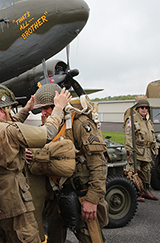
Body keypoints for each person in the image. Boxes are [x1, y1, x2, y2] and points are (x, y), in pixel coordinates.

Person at [0, 84, 71, 243]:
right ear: (4, 109)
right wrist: (59, 107)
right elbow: (48, 133)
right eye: (9, 109)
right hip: (13, 201)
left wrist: (26, 109)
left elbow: (9, 126)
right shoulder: (8, 131)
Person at [28, 83, 109, 243]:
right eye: (41, 109)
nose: (43, 113)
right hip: (55, 194)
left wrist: (92, 199)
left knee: (90, 238)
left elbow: (98, 164)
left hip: (82, 194)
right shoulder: (49, 126)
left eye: (47, 108)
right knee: (54, 238)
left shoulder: (80, 123)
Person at [124, 98, 159, 202]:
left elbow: (152, 136)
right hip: (137, 151)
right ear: (137, 109)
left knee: (147, 172)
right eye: (142, 108)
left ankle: (145, 190)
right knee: (133, 172)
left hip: (147, 151)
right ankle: (134, 193)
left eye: (146, 108)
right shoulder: (132, 119)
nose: (144, 109)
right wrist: (130, 150)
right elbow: (128, 135)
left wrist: (155, 149)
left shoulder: (148, 122)